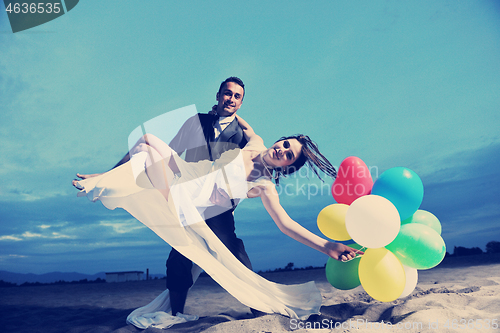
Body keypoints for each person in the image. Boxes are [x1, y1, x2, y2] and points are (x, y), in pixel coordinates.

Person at [73, 112, 362, 328]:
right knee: (146, 141)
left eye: (288, 156)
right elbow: (242, 122)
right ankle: (104, 176)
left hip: (194, 203)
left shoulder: (264, 183)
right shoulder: (255, 142)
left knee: (226, 254)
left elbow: (285, 224)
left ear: (286, 167)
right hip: (185, 176)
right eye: (285, 144)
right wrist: (229, 106)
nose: (282, 151)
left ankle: (259, 308)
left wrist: (328, 246)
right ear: (279, 139)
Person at [75, 77, 254, 317]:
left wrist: (232, 202)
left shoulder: (242, 137)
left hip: (218, 205)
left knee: (234, 252)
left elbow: (243, 176)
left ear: (241, 103)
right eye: (227, 93)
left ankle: (260, 307)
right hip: (188, 199)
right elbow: (170, 152)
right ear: (218, 95)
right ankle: (176, 315)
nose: (230, 99)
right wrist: (109, 175)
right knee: (179, 257)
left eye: (236, 96)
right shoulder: (196, 122)